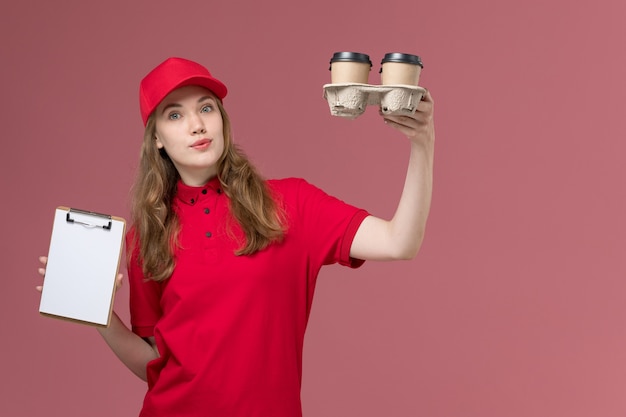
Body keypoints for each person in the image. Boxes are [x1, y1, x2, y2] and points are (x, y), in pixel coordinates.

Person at [37, 56, 435, 417]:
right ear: (156, 139)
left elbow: (400, 242)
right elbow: (156, 365)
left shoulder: (291, 203)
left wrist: (423, 144)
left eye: (206, 108)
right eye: (175, 116)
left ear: (222, 120)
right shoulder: (147, 235)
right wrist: (101, 315)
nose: (196, 125)